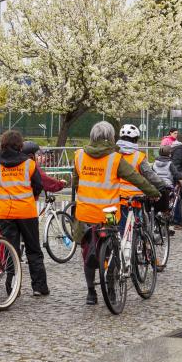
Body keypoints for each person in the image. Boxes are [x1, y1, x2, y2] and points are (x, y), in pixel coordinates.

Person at [73, 122, 163, 306]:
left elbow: (75, 181)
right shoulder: (114, 159)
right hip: (109, 213)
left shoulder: (79, 156)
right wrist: (155, 193)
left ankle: (91, 293)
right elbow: (136, 178)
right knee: (113, 250)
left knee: (87, 252)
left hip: (85, 212)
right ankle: (112, 292)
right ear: (110, 137)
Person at [0, 131, 49, 296]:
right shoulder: (29, 164)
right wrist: (31, 197)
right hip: (27, 212)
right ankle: (39, 287)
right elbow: (38, 185)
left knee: (10, 251)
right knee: (33, 249)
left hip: (6, 213)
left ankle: (12, 287)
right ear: (20, 145)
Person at [116, 124, 168, 232]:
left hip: (116, 197)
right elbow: (150, 175)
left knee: (120, 227)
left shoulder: (114, 154)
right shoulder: (138, 156)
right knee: (136, 229)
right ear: (135, 140)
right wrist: (163, 184)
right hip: (134, 199)